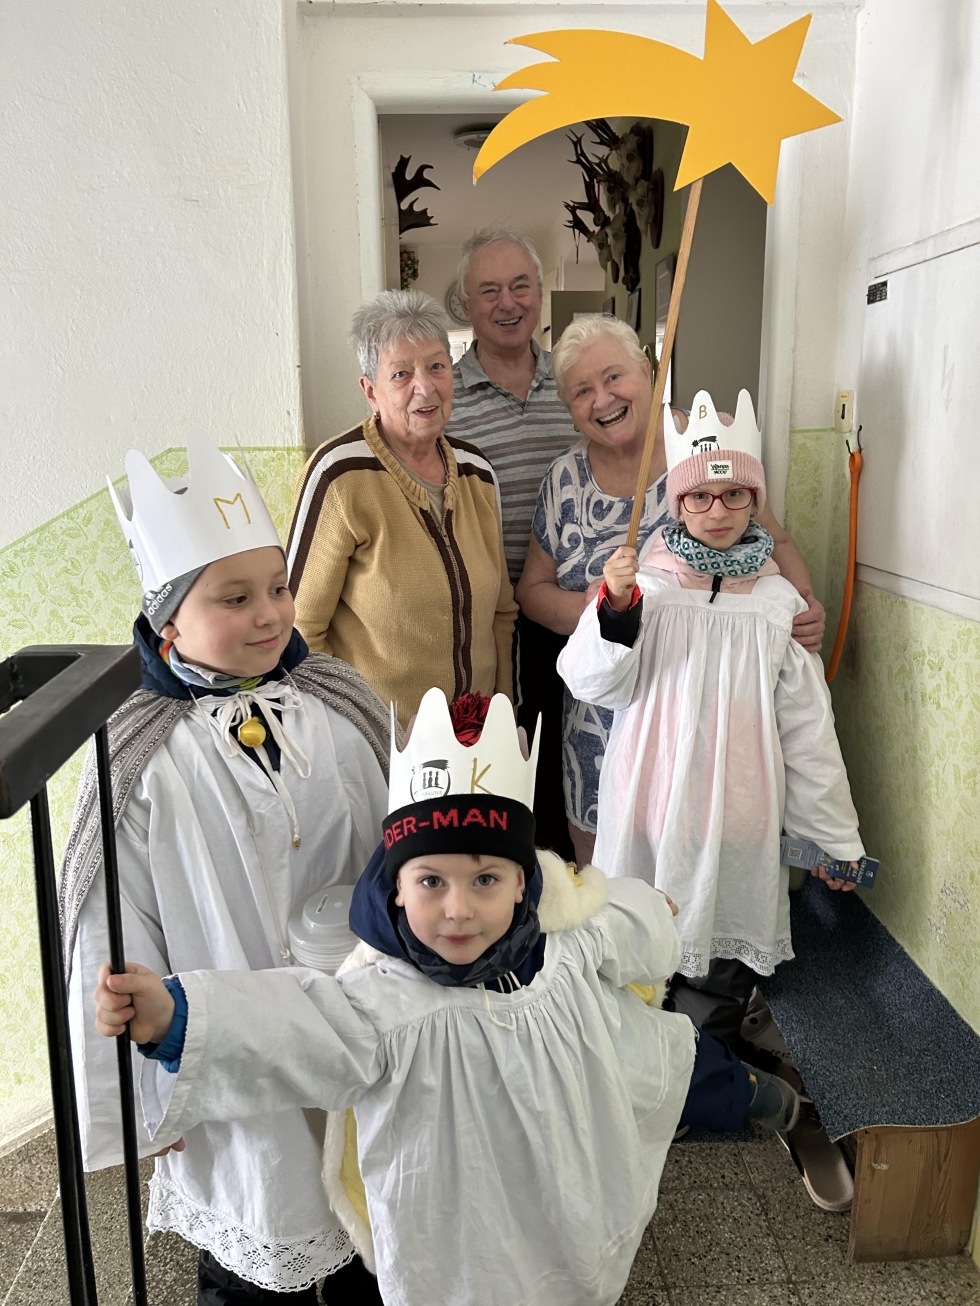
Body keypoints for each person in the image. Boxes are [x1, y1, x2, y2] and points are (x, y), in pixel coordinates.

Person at [94, 689, 800, 1306]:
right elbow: (290, 1025)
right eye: (431, 882)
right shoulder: (381, 1006)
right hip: (460, 1220)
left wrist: (657, 910)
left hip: (568, 1158)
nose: (458, 909)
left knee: (653, 1085)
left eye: (485, 880)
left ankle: (754, 1098)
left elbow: (617, 917)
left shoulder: (565, 946)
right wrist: (177, 1016)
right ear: (397, 887)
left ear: (523, 884)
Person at [62, 431, 391, 1305]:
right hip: (221, 1041)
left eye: (278, 588)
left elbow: (399, 844)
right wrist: (144, 1100)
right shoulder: (138, 757)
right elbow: (112, 928)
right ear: (167, 620)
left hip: (354, 1019)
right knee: (260, 1221)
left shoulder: (339, 702)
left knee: (369, 1217)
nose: (270, 615)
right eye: (235, 598)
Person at [557, 390, 863, 1211]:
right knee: (639, 945)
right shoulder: (648, 589)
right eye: (701, 496)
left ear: (756, 499)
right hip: (653, 812)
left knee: (718, 961)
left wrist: (833, 840)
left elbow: (809, 734)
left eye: (735, 494)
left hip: (739, 817)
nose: (718, 510)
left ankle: (698, 1082)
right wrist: (612, 610)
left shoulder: (777, 605)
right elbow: (587, 678)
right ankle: (636, 1069)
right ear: (677, 501)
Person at [519, 316, 827, 867]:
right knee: (607, 870)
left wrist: (802, 606)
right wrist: (600, 612)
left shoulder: (705, 447)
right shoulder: (563, 481)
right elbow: (531, 591)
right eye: (582, 391)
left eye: (613, 377)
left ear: (648, 369)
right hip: (598, 719)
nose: (602, 399)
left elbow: (773, 539)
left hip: (704, 723)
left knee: (701, 861)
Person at [287, 288, 517, 728]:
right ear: (370, 391)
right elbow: (298, 632)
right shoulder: (338, 475)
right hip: (380, 743)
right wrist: (355, 729)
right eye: (401, 374)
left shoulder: (477, 473)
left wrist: (504, 720)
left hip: (477, 739)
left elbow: (501, 616)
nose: (425, 387)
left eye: (437, 366)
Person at [446, 228, 578, 854]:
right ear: (466, 304)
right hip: (496, 623)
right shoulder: (444, 399)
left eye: (521, 286)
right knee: (516, 762)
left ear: (540, 294)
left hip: (581, 612)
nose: (508, 303)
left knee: (589, 762)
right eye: (490, 290)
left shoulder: (577, 383)